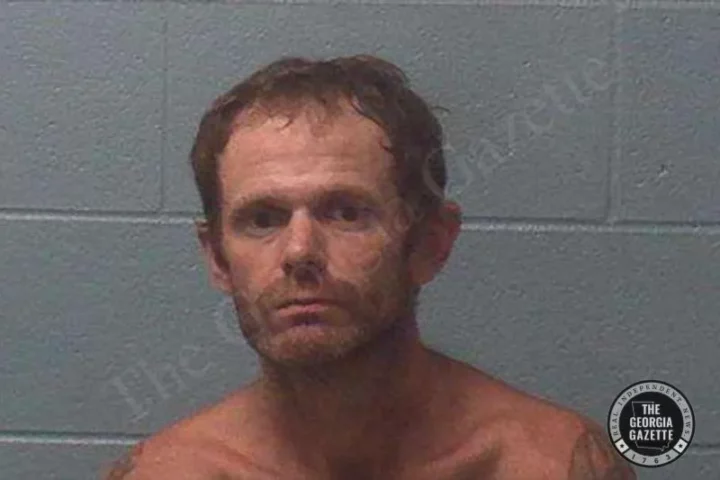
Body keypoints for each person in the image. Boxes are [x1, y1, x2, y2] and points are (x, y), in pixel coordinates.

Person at [104, 54, 636, 480]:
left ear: (429, 243)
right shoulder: (169, 473)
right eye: (262, 219)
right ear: (218, 257)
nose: (299, 252)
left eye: (346, 213)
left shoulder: (550, 464)